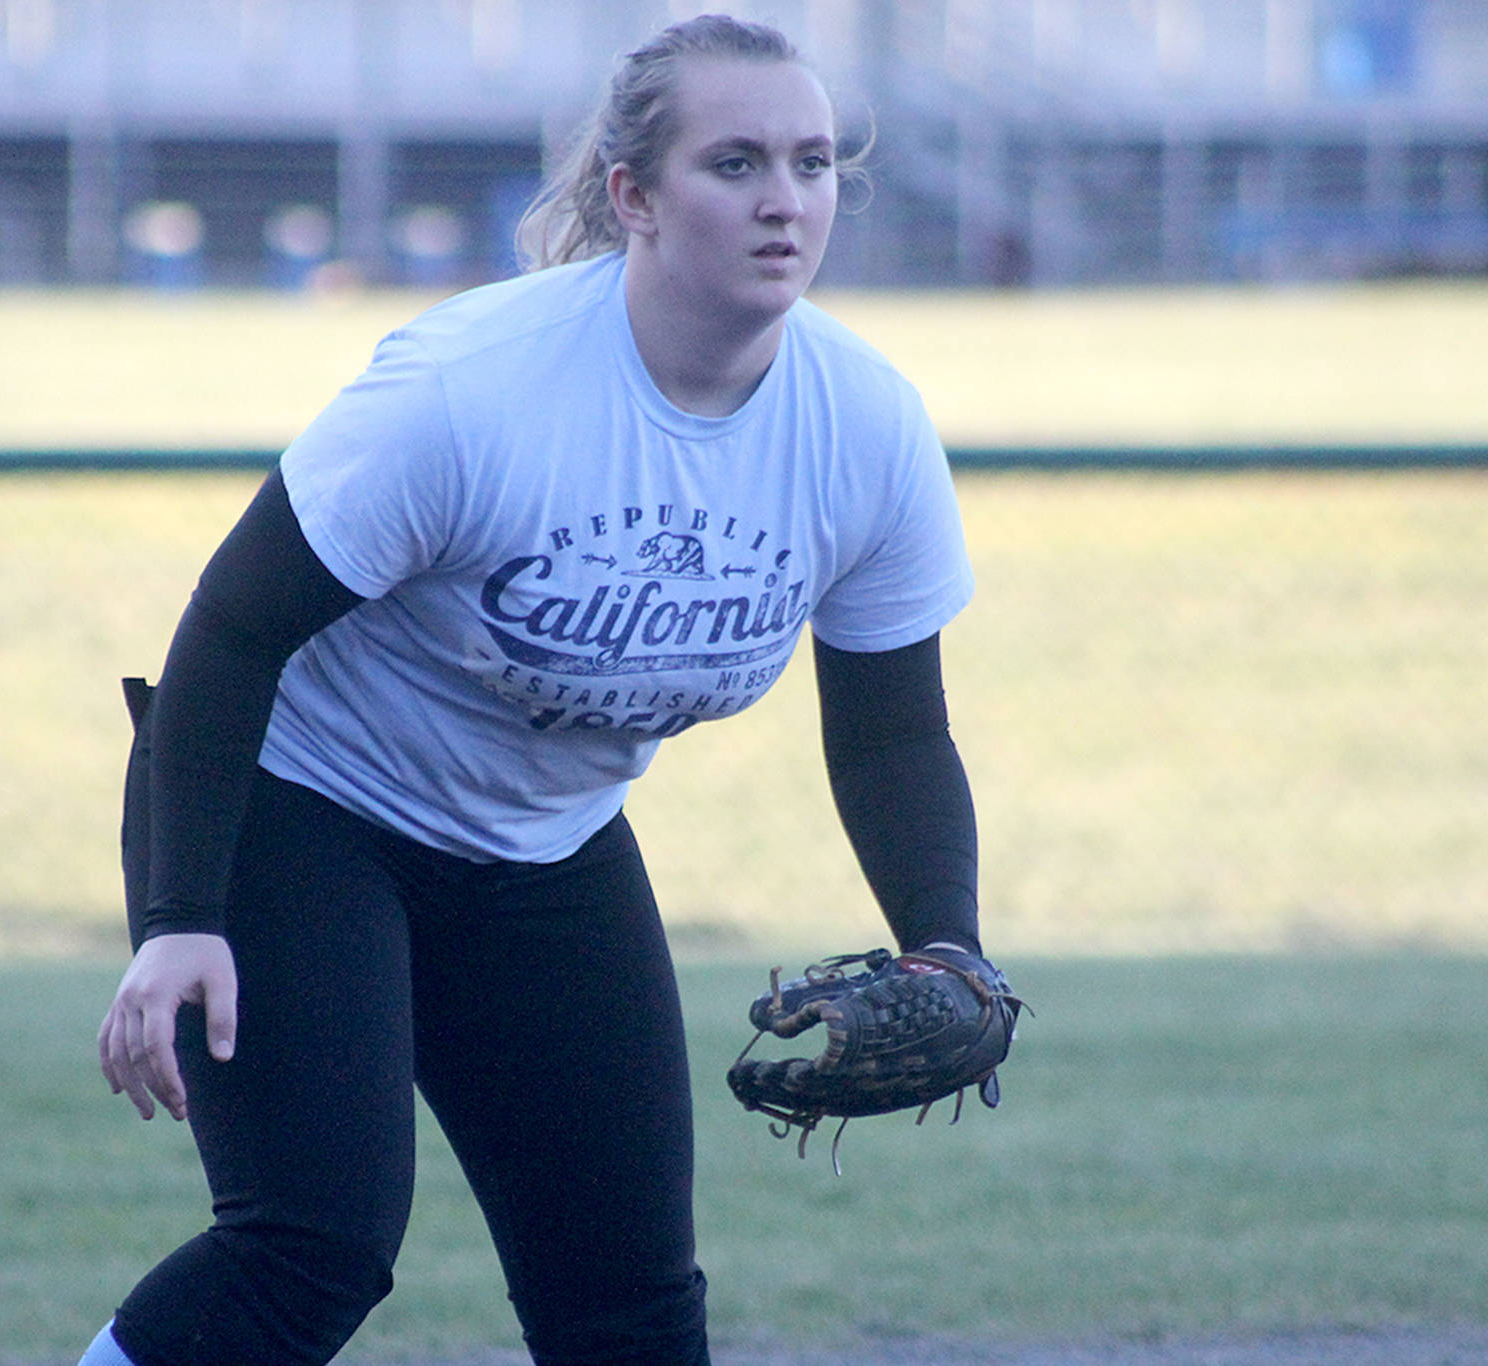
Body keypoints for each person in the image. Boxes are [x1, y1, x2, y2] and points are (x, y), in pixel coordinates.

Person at [82, 14, 996, 1366]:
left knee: (629, 1304)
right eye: (734, 162)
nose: (785, 200)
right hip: (302, 809)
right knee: (311, 1245)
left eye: (811, 163)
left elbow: (893, 733)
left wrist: (946, 943)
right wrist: (180, 919)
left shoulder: (864, 426)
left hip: (545, 847)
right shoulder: (475, 393)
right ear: (634, 196)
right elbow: (228, 636)